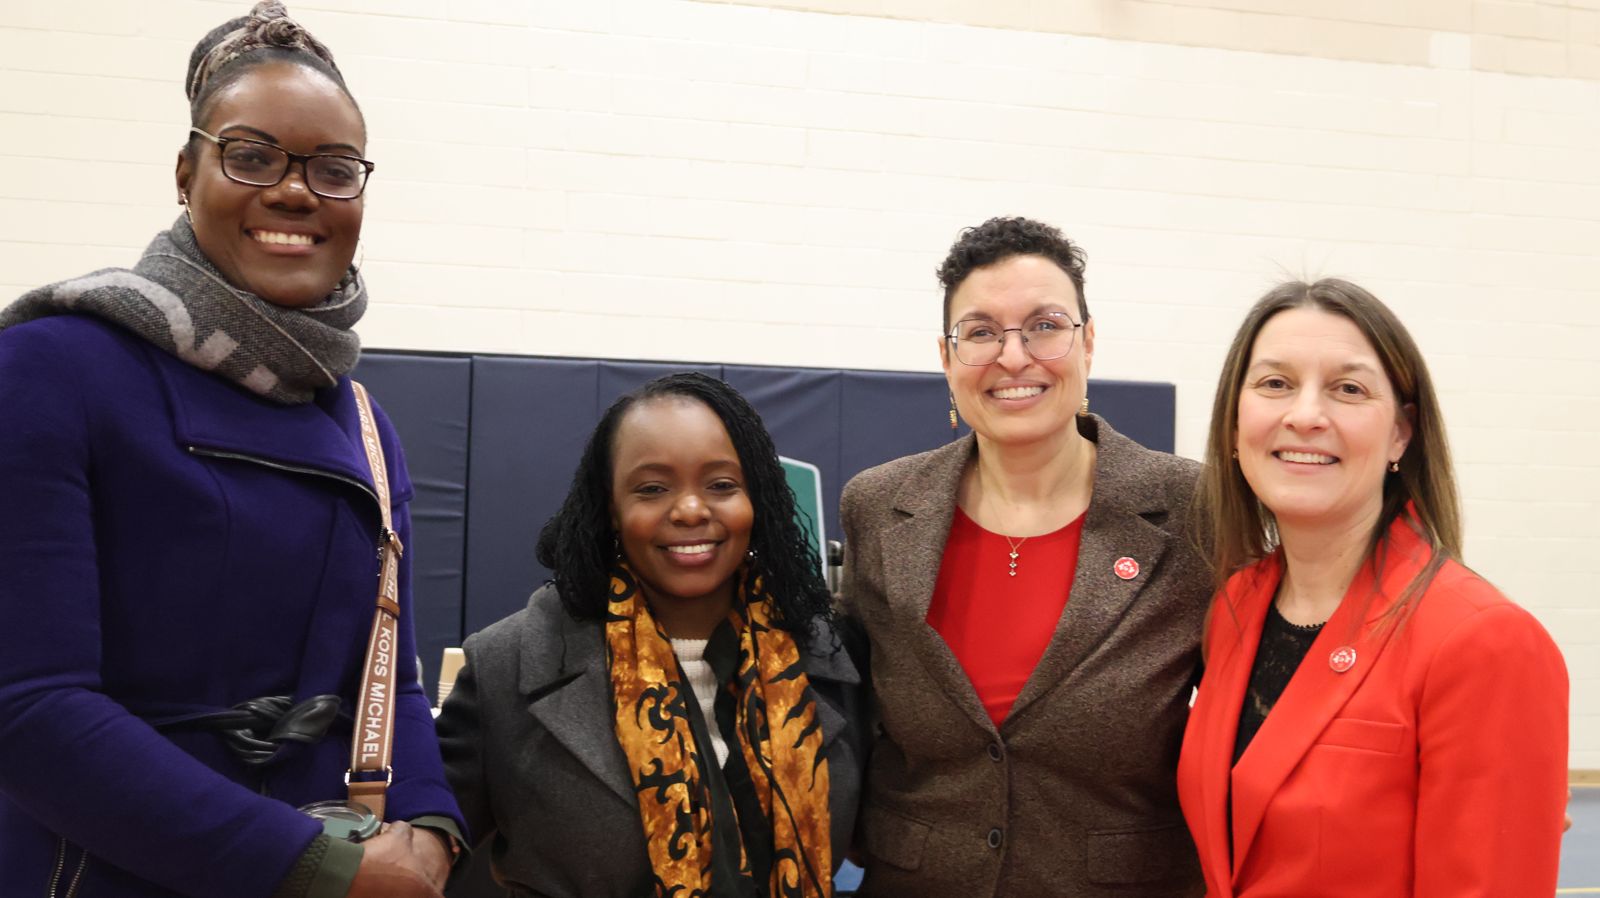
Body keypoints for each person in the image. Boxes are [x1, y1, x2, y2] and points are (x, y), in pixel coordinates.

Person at [0, 4, 463, 897]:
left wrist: (432, 827)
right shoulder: (48, 367)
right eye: (252, 156)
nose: (295, 192)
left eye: (335, 169)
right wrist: (306, 863)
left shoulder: (366, 426)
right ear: (186, 173)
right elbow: (29, 707)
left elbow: (392, 682)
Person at [841, 217, 1208, 895]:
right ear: (947, 357)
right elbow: (850, 711)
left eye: (1044, 326)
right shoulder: (878, 506)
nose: (1014, 357)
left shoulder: (1192, 508)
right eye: (981, 332)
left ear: (1088, 342)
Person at [1176, 278, 1568, 895]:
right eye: (1275, 383)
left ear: (1401, 434)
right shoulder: (1233, 606)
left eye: (1348, 389)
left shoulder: (1485, 642)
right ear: (1233, 423)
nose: (1305, 415)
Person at [436, 372, 868, 898]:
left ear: (757, 500)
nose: (690, 509)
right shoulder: (507, 664)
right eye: (652, 489)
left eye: (721, 485)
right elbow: (424, 854)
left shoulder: (832, 655)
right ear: (611, 508)